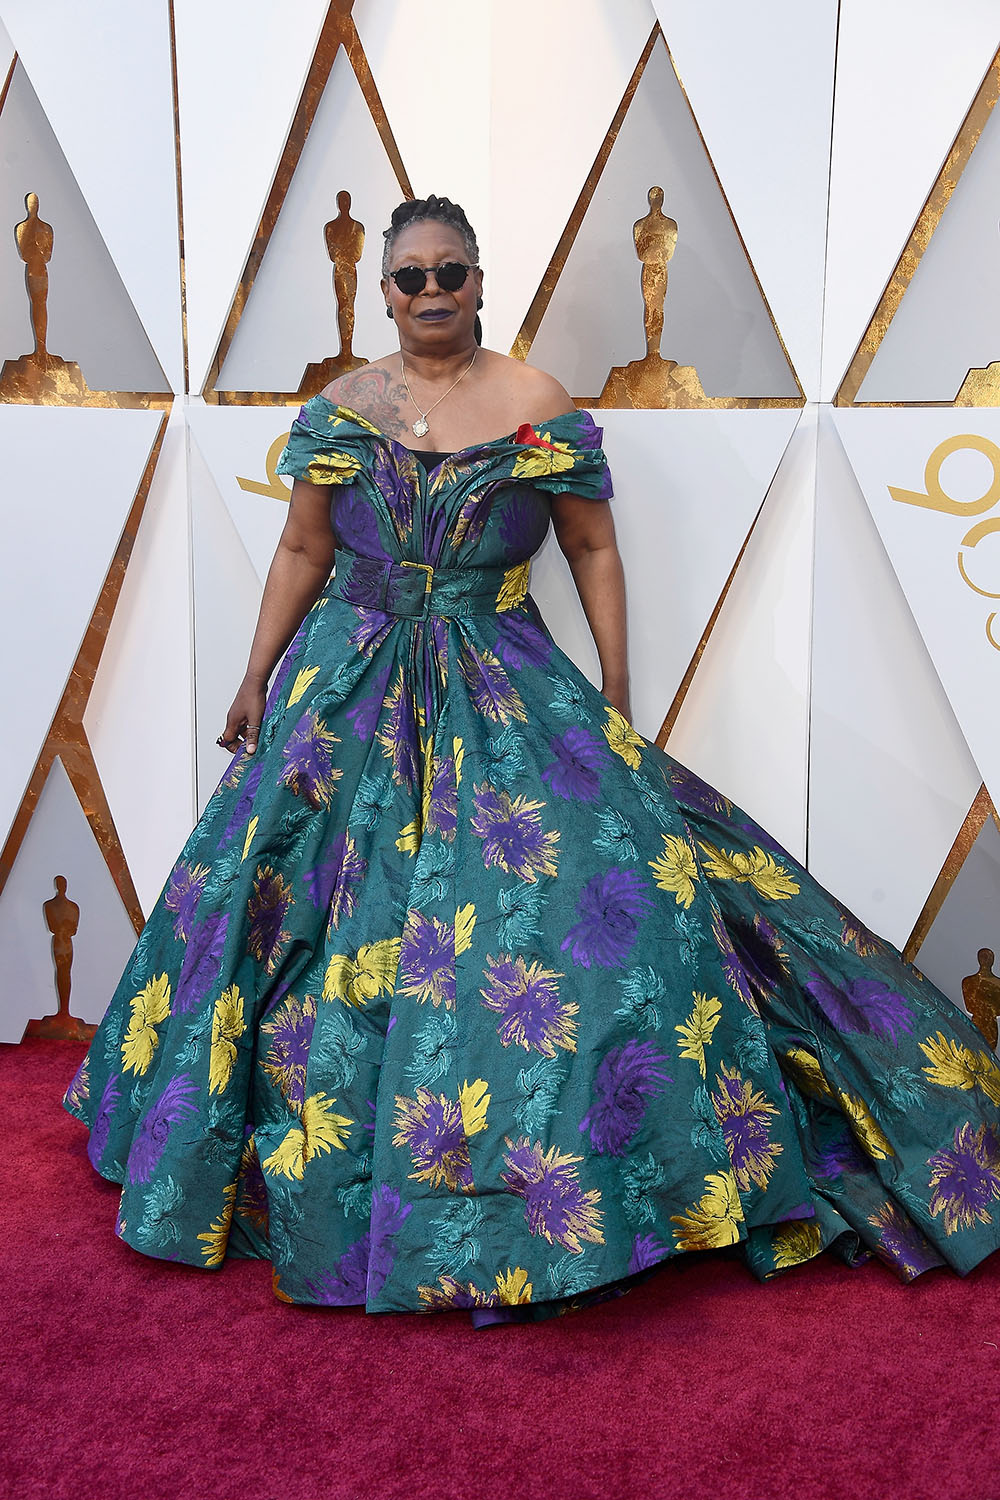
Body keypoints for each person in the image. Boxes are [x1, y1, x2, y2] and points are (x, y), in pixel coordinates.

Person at [65, 195, 1000, 1325]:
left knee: (624, 889)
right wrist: (256, 675)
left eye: (448, 272)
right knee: (287, 905)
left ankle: (601, 1163)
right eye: (408, 277)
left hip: (501, 671)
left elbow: (591, 545)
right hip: (346, 680)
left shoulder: (538, 405)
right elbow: (303, 546)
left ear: (478, 278)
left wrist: (612, 689)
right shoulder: (339, 409)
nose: (429, 294)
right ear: (384, 292)